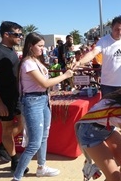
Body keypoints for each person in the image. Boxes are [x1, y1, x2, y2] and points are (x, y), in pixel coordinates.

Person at [12, 32, 74, 181]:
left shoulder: (36, 61)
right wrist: (65, 75)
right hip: (33, 101)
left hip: (43, 99)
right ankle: (17, 177)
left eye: (43, 45)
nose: (43, 49)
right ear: (30, 46)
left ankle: (41, 167)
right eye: (39, 46)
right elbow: (44, 83)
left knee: (44, 136)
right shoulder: (28, 63)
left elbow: (45, 83)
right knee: (34, 143)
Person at [0, 21, 27, 172]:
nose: (20, 37)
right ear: (6, 35)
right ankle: (15, 161)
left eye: (21, 35)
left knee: (22, 124)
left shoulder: (11, 51)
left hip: (15, 97)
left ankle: (2, 146)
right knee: (7, 129)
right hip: (3, 99)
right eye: (17, 34)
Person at [72, 16, 121, 97]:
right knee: (108, 109)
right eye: (117, 29)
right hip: (108, 85)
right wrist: (80, 62)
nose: (119, 32)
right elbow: (93, 53)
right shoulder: (103, 41)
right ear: (111, 28)